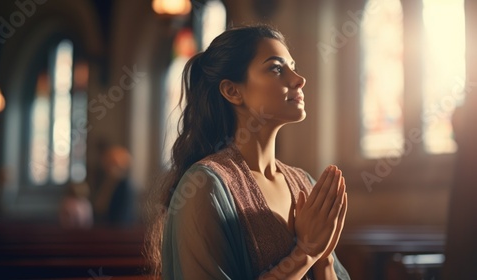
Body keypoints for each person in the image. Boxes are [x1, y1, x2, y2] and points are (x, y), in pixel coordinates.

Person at [150, 25, 350, 279]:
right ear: (233, 91)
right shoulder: (204, 187)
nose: (299, 79)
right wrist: (306, 253)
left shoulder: (304, 184)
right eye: (276, 68)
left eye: (293, 66)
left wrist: (324, 257)